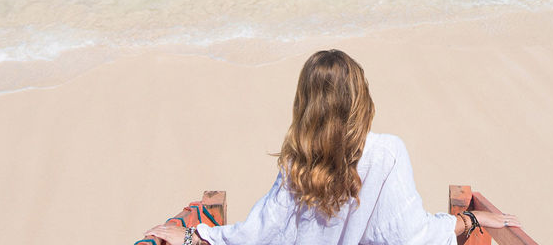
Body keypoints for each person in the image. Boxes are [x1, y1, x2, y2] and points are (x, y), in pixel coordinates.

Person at [145, 49, 520, 245]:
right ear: (361, 99)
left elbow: (259, 235)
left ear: (305, 103)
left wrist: (195, 236)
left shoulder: (297, 165)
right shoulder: (388, 153)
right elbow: (407, 236)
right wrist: (468, 220)